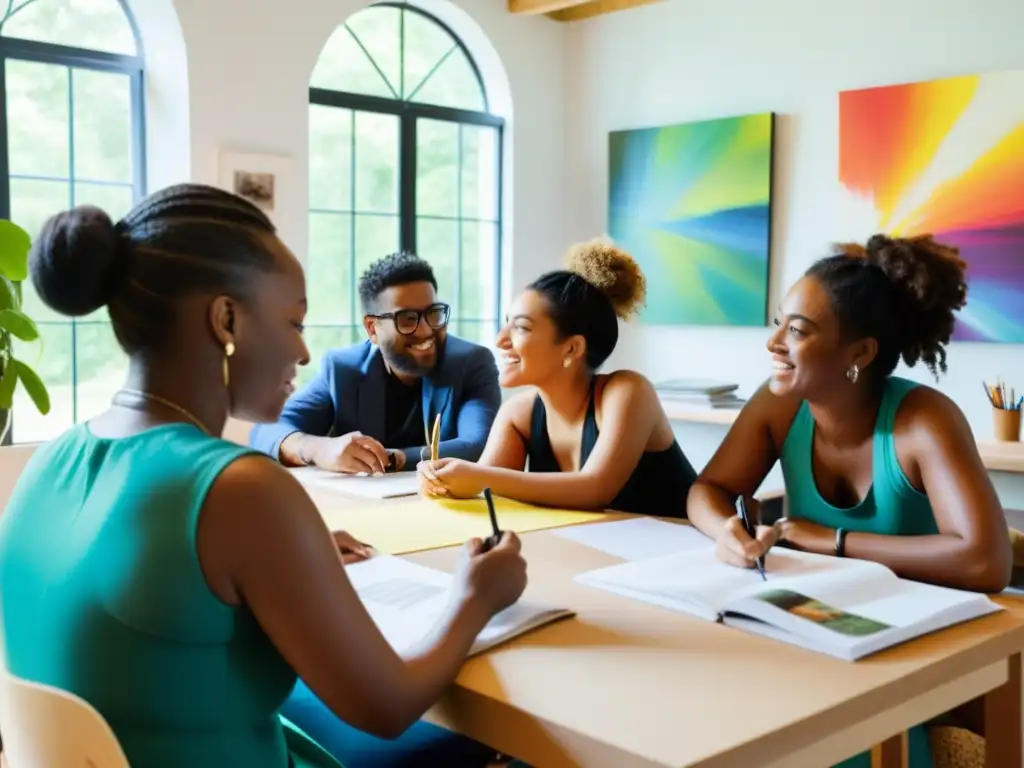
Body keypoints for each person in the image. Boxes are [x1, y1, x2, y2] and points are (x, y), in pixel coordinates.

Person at [0, 184, 527, 768]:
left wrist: (291, 553)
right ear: (226, 319)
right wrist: (475, 597)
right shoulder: (240, 490)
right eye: (294, 322)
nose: (303, 354)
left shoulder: (53, 458)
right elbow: (388, 707)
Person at [687, 233, 1013, 768]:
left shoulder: (922, 420)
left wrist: (833, 541)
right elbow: (709, 489)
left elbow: (986, 560)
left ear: (859, 353)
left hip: (920, 656)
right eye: (778, 323)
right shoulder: (778, 405)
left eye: (797, 330)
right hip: (819, 638)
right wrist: (726, 530)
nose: (773, 344)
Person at [418, 239, 697, 516]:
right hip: (603, 550)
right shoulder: (519, 414)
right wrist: (442, 479)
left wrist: (479, 477)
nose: (500, 339)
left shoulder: (628, 392)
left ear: (572, 348)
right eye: (506, 323)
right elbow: (487, 493)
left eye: (521, 328)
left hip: (694, 553)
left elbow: (595, 489)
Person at [249, 251, 501, 474]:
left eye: (433, 313)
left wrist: (397, 459)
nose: (425, 330)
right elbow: (267, 430)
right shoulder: (343, 369)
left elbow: (478, 443)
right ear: (372, 328)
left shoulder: (471, 363)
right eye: (407, 318)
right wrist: (318, 448)